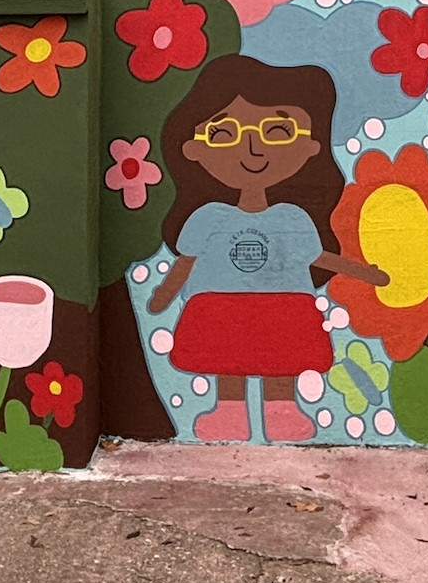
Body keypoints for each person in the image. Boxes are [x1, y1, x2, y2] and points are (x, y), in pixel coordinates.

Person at [148, 55, 387, 442]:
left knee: (282, 360)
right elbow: (187, 262)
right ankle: (229, 414)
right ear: (193, 149)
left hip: (284, 303)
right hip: (219, 303)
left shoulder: (292, 217)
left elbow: (318, 257)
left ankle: (283, 411)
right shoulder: (207, 217)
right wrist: (163, 295)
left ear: (310, 147)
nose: (252, 148)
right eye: (224, 133)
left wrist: (364, 272)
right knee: (228, 362)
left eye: (277, 131)